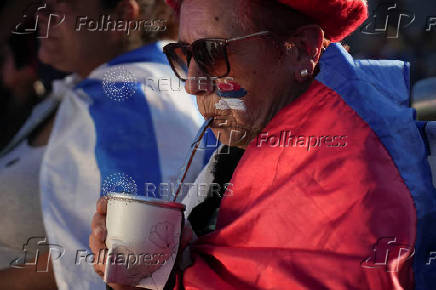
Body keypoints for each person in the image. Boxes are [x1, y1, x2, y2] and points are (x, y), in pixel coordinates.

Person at [90, 0, 436, 289]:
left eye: (212, 52)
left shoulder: (348, 178)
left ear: (302, 50)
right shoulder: (261, 129)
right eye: (184, 55)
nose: (192, 83)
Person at [2, 0, 207, 289]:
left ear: (121, 18)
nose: (40, 18)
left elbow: (136, 264)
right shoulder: (90, 88)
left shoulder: (132, 98)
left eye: (56, 8)